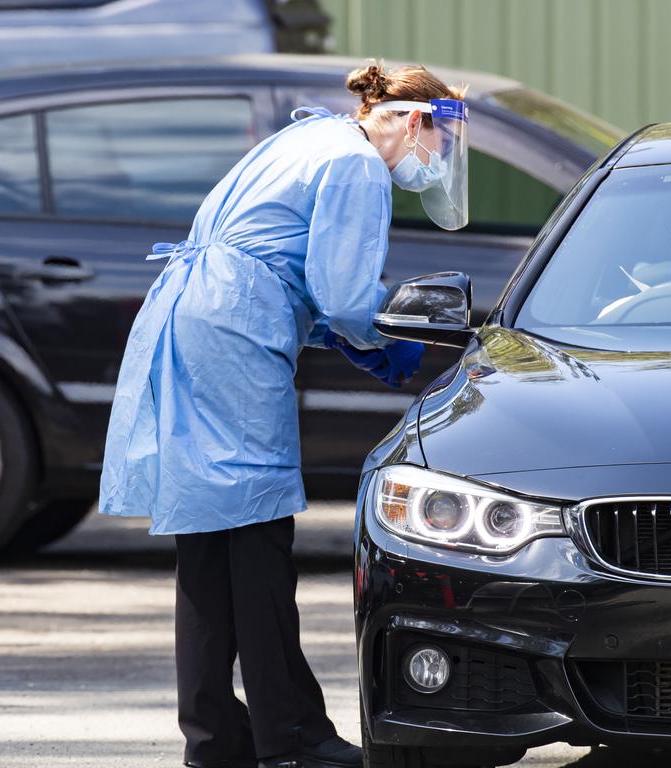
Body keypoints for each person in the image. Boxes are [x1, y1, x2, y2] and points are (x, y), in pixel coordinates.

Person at [99, 61, 468, 768]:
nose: (436, 165)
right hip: (234, 330)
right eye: (441, 146)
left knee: (209, 543)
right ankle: (290, 739)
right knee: (259, 533)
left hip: (195, 317)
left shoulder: (312, 136)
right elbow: (343, 292)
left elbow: (279, 257)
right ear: (417, 121)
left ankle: (216, 739)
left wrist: (334, 326)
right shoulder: (357, 165)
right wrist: (376, 337)